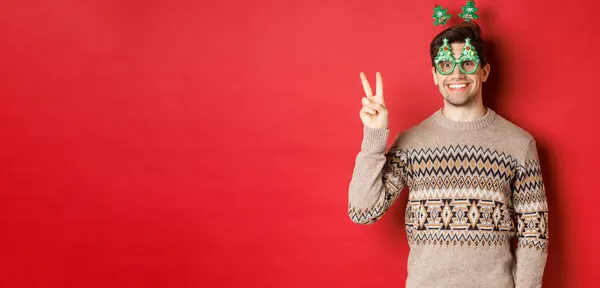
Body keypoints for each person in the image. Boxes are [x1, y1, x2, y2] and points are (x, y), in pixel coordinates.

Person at [347, 21, 549, 287]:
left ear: (484, 71)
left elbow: (534, 232)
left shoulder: (519, 144)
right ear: (434, 74)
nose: (456, 74)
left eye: (467, 63)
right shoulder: (411, 142)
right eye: (445, 65)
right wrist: (374, 137)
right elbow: (362, 212)